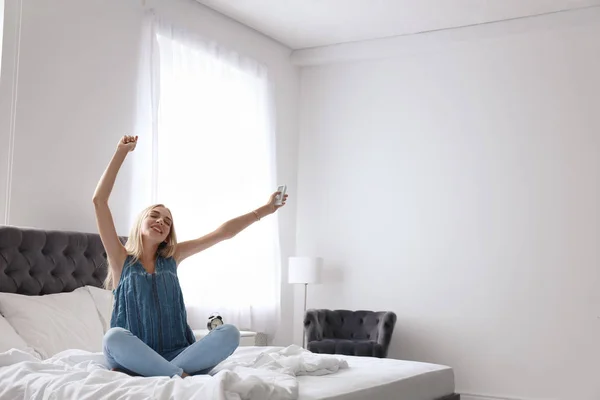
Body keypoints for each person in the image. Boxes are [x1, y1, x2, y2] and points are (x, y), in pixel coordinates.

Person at [93, 135, 288, 378]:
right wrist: (121, 152)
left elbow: (223, 233)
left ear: (167, 235)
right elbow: (99, 201)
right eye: (154, 216)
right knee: (114, 337)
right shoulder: (120, 259)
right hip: (133, 355)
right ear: (141, 222)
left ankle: (166, 372)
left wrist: (265, 210)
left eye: (167, 222)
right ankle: (179, 375)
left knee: (229, 333)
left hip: (177, 353)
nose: (160, 222)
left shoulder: (173, 258)